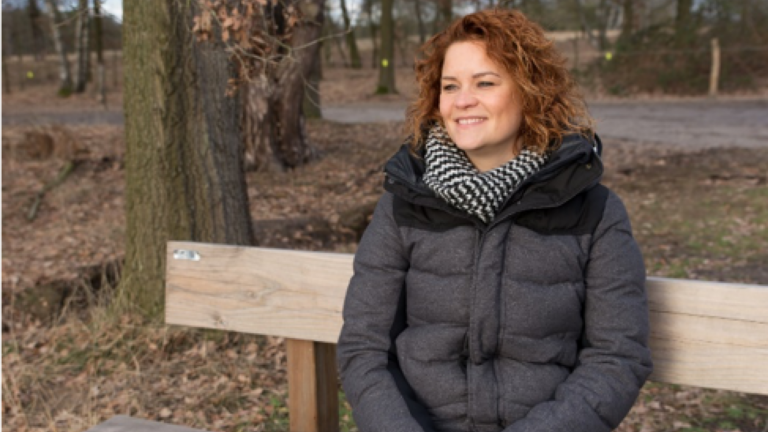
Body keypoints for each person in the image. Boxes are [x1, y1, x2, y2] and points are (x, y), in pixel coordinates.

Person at [337, 8, 653, 432]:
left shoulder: (594, 212)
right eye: (450, 86)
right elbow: (364, 349)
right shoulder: (404, 204)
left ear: (530, 91)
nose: (463, 100)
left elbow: (617, 358)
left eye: (485, 82)